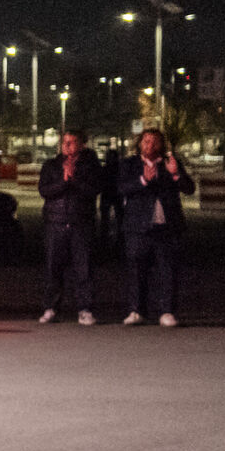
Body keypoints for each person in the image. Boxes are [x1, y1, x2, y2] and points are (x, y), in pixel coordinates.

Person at [119, 127, 187, 327]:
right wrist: (143, 180)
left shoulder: (170, 163)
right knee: (136, 270)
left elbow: (189, 188)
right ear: (139, 143)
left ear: (161, 144)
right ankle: (136, 310)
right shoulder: (130, 164)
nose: (150, 145)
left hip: (166, 227)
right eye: (146, 141)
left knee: (167, 271)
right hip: (138, 227)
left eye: (155, 141)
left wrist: (176, 175)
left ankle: (167, 311)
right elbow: (121, 188)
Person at [37, 130, 105, 325]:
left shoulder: (90, 166)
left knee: (83, 269)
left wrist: (74, 179)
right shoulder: (51, 165)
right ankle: (50, 308)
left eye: (73, 142)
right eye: (65, 142)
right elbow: (44, 190)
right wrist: (63, 181)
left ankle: (85, 309)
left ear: (82, 145)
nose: (68, 146)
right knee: (53, 268)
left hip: (81, 223)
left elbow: (94, 190)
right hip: (55, 222)